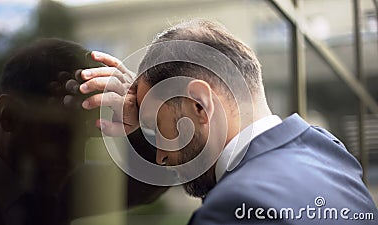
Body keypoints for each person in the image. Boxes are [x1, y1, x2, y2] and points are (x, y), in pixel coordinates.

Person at [81, 19, 378, 224]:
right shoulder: (329, 152)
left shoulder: (234, 208)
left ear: (200, 103)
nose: (160, 157)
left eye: (158, 129)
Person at [0, 38, 167, 225]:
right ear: (9, 114)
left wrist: (139, 115)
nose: (76, 159)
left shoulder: (53, 181)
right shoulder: (50, 178)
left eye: (84, 139)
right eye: (59, 135)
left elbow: (156, 178)